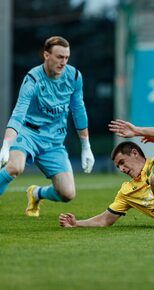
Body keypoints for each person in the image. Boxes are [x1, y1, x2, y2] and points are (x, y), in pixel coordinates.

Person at [0, 36, 95, 217]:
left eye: (66, 58)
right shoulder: (32, 79)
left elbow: (78, 110)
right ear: (46, 55)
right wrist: (6, 145)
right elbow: (18, 113)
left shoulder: (74, 76)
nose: (63, 62)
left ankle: (36, 193)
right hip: (28, 134)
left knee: (67, 194)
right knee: (14, 167)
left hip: (54, 141)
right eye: (59, 57)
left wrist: (86, 146)